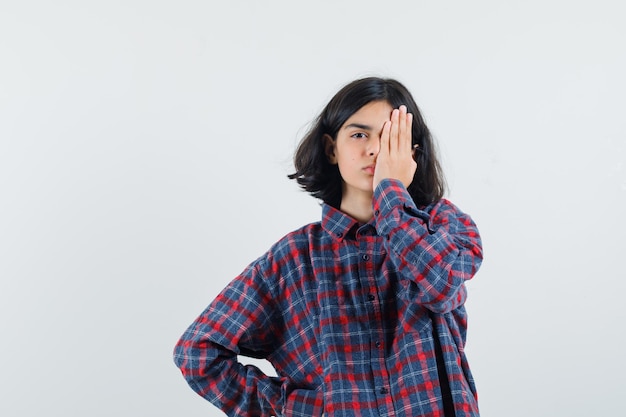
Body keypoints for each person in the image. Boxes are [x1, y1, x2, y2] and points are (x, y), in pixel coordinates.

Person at [173, 76, 483, 417]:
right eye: (359, 134)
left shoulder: (443, 225)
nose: (375, 149)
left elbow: (439, 285)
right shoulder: (292, 258)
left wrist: (391, 193)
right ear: (331, 147)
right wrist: (299, 408)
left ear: (412, 150)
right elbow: (197, 352)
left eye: (391, 136)